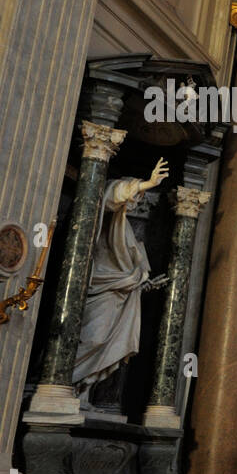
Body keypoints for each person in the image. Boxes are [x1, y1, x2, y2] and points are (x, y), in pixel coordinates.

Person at [74, 158, 170, 404]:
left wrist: (143, 284)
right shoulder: (105, 214)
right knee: (93, 338)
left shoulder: (127, 227)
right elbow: (111, 194)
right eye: (135, 195)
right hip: (101, 287)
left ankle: (83, 391)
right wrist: (146, 183)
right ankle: (63, 383)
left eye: (140, 198)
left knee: (110, 344)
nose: (136, 202)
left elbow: (132, 272)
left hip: (121, 293)